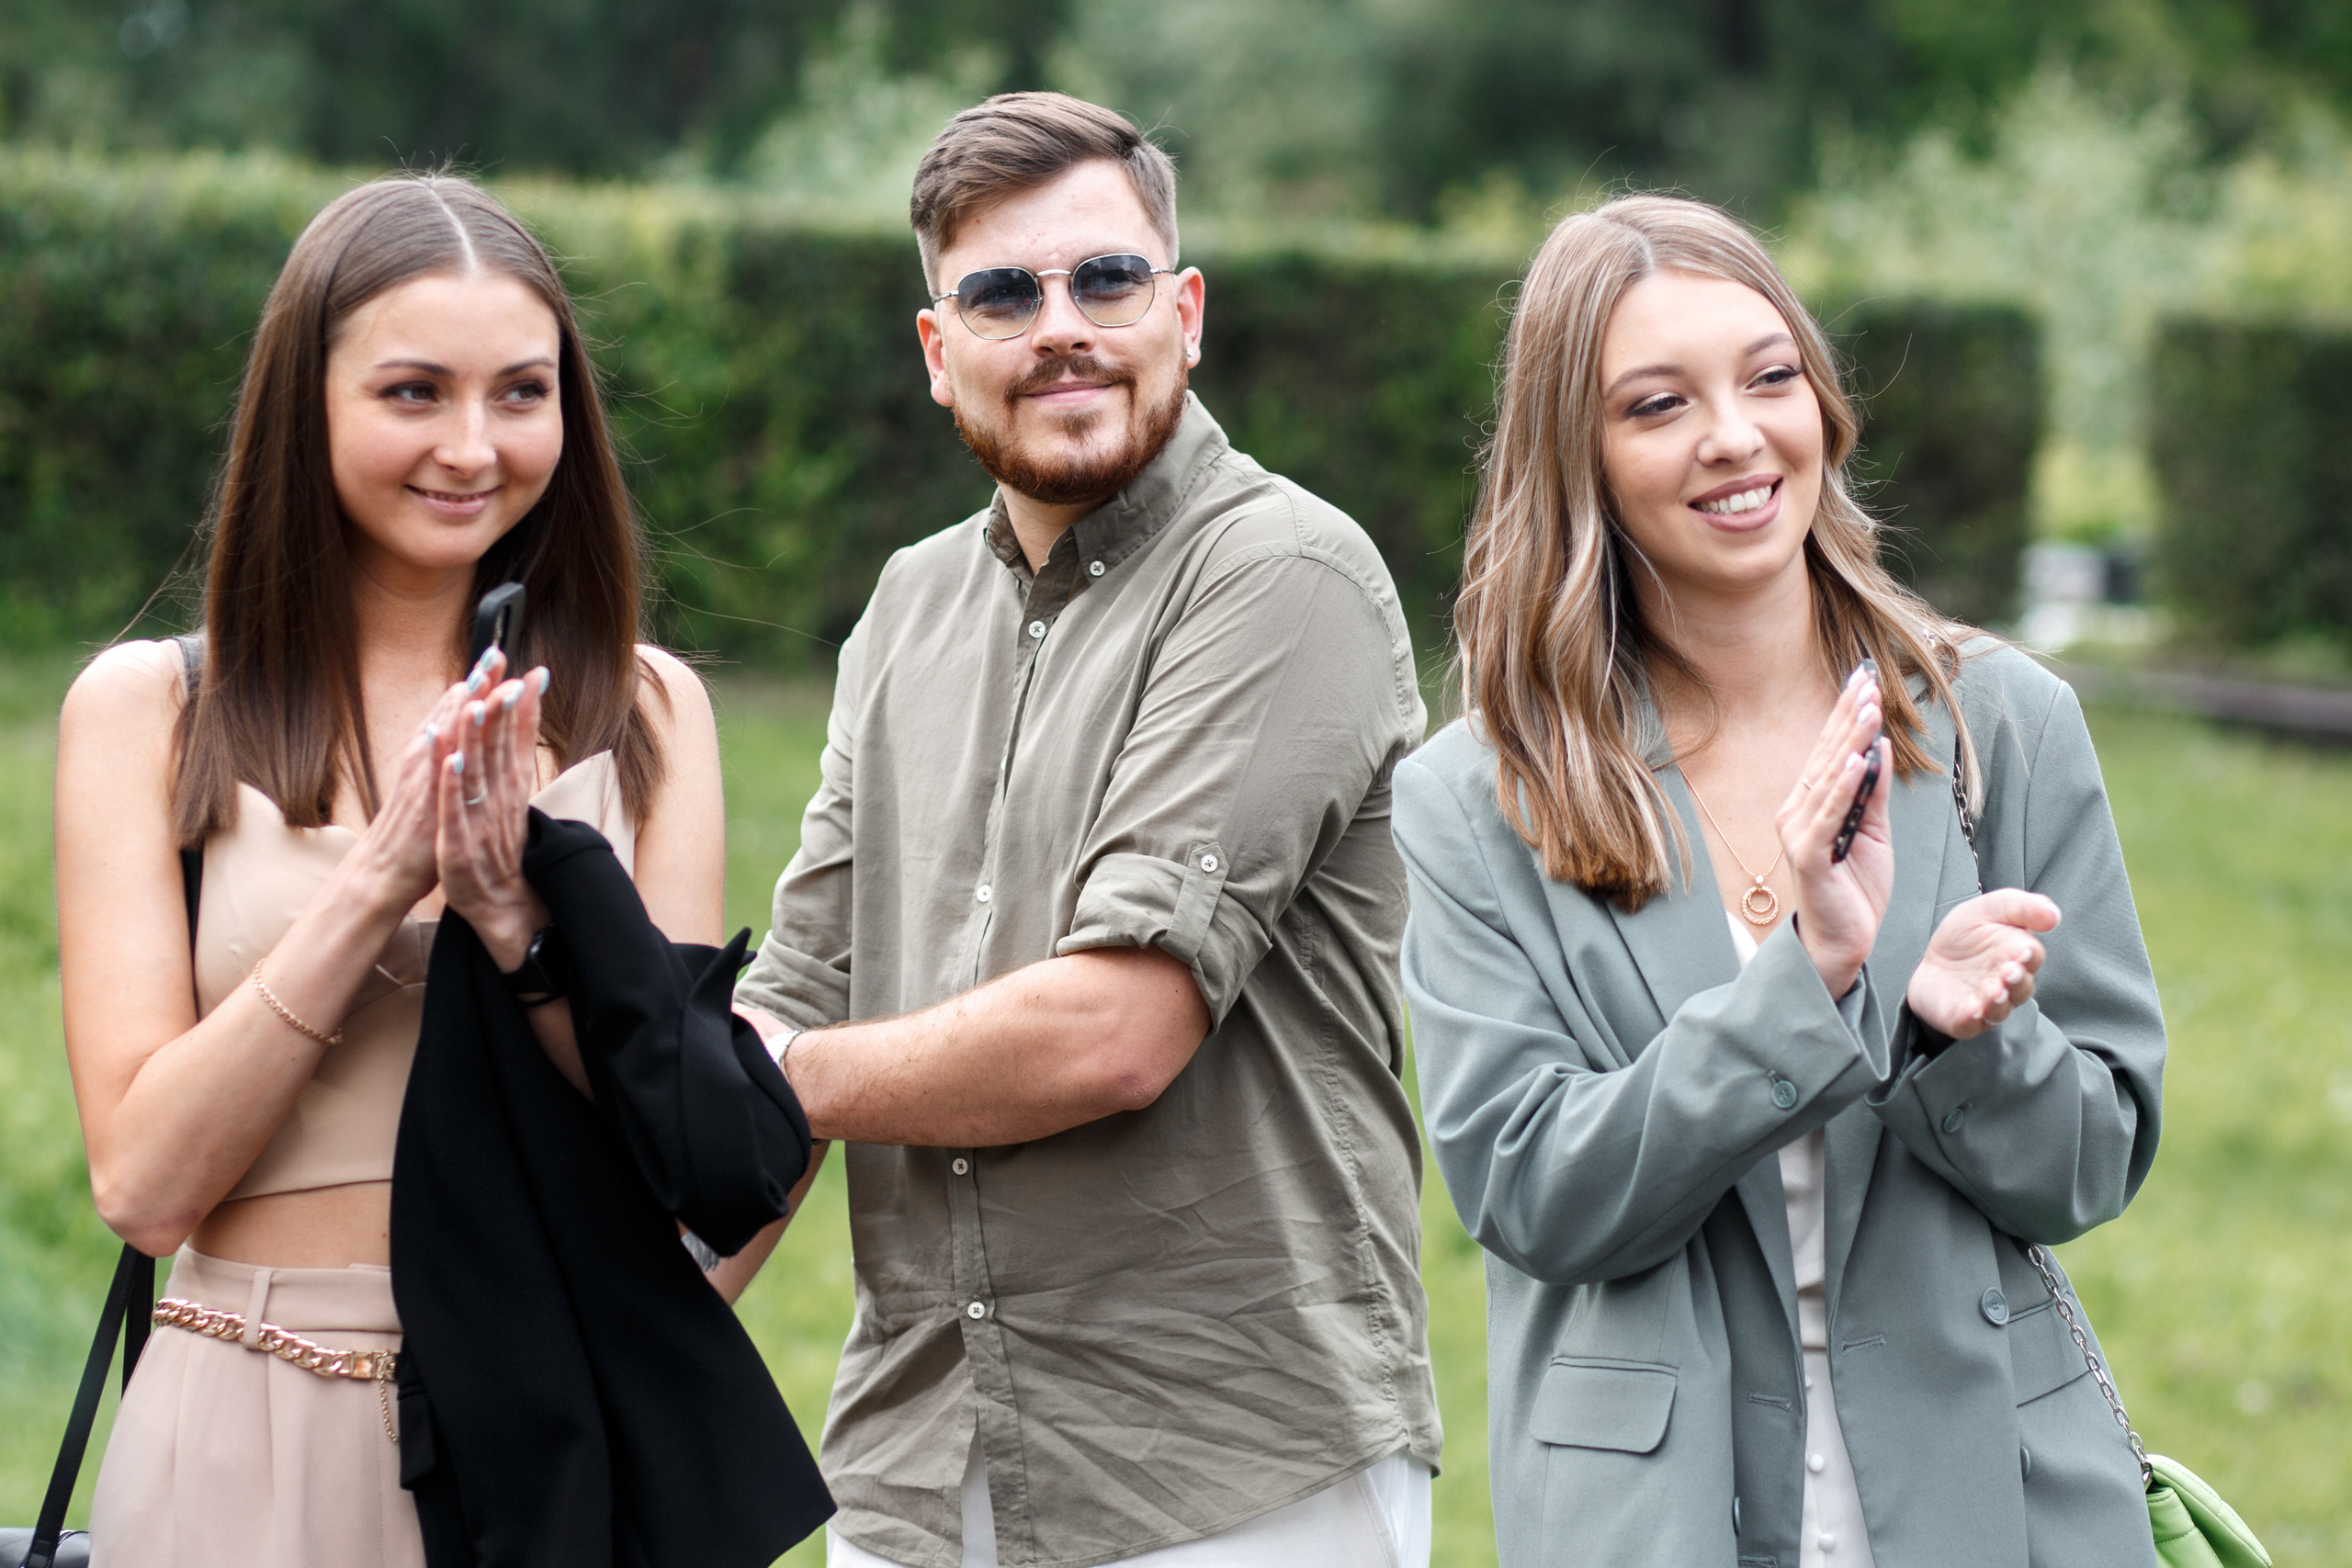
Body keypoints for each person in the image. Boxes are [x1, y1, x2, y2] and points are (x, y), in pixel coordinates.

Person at [1393, 195, 2165, 1568]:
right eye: (1657, 404)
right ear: (1578, 457)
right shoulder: (1477, 797)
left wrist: (1955, 1042)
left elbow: (2092, 1164)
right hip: (1658, 1519)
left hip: (1999, 1503)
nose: (1736, 437)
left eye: (1769, 376)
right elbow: (1531, 1193)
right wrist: (1803, 988)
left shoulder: (2005, 723)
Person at [730, 92, 1442, 1568]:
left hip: (1230, 1470)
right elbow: (794, 988)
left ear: (1184, 312)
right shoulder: (910, 605)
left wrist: (777, 1077)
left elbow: (1114, 1031)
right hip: (922, 1466)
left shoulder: (1287, 572)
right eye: (1001, 291)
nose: (1062, 324)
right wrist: (619, 1335)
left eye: (1105, 279)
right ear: (940, 354)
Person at [55, 174, 746, 1567]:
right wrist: (381, 874)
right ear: (304, 404)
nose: (474, 446)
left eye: (521, 393)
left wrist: (513, 924)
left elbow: (685, 1156)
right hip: (235, 1424)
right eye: (414, 392)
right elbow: (145, 1185)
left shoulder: (645, 714)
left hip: (548, 1441)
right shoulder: (152, 713)